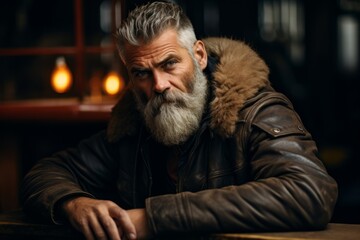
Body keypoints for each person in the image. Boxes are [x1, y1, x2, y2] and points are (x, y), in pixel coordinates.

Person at [21, 1, 338, 240]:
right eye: (142, 73)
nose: (157, 85)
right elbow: (44, 174)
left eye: (169, 64)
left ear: (199, 56)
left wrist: (152, 218)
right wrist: (74, 203)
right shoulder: (134, 123)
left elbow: (310, 192)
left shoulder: (256, 112)